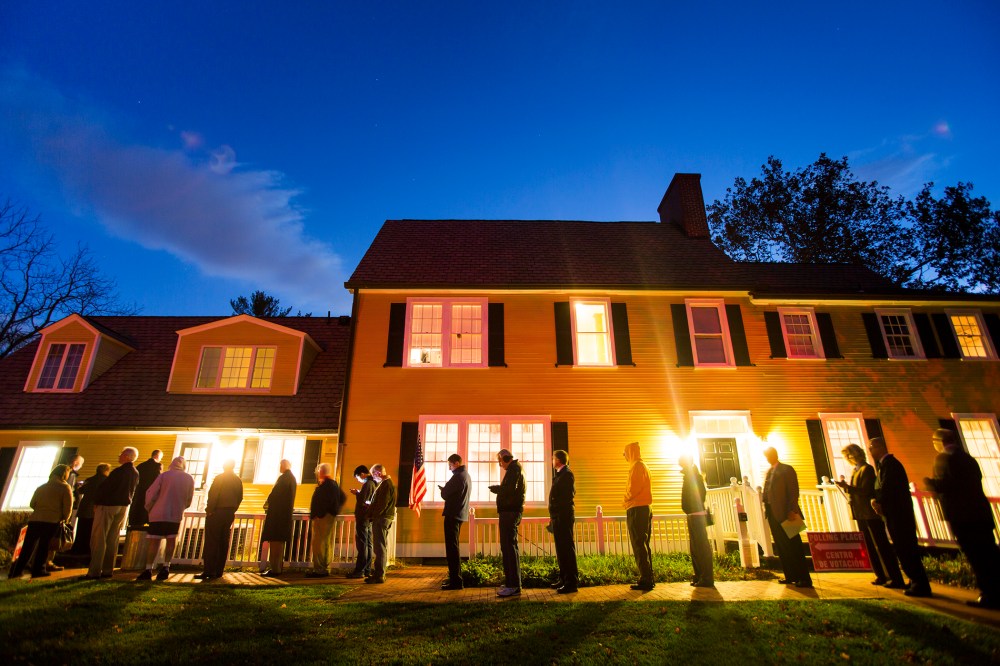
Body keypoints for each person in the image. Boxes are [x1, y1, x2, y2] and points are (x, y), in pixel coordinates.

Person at [923, 428, 1000, 609]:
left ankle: (989, 594)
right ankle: (996, 591)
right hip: (980, 512)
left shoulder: (944, 458)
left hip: (962, 515)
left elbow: (948, 484)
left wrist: (931, 483)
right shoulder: (968, 458)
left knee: (976, 555)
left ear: (939, 441)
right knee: (989, 553)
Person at [835, 444, 905, 588]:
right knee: (870, 546)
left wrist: (847, 487)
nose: (847, 459)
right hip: (861, 513)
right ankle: (880, 575)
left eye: (848, 455)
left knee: (881, 545)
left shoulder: (867, 469)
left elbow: (866, 490)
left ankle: (894, 576)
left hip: (870, 513)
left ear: (854, 454)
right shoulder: (855, 471)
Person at [868, 437, 931, 597]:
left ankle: (920, 584)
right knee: (902, 548)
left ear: (880, 447)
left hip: (899, 514)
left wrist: (878, 500)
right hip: (894, 514)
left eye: (872, 447)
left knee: (906, 548)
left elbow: (888, 487)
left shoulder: (891, 465)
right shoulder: (885, 466)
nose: (870, 450)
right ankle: (915, 579)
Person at [7, 465, 73, 579]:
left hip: (35, 519)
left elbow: (32, 503)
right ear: (64, 474)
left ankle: (17, 570)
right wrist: (64, 518)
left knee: (28, 546)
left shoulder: (41, 487)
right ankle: (38, 569)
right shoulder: (65, 488)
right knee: (44, 546)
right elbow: (68, 508)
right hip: (51, 520)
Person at [136, 456, 194, 581]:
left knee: (154, 541)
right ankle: (166, 567)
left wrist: (149, 507)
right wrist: (181, 507)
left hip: (158, 513)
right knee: (171, 540)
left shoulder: (164, 476)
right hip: (175, 514)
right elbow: (189, 498)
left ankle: (148, 569)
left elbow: (151, 493)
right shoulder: (189, 478)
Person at [86, 447, 140, 579]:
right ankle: (107, 569)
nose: (119, 456)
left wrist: (97, 501)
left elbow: (106, 488)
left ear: (127, 456)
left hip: (108, 505)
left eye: (121, 454)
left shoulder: (119, 472)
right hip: (123, 506)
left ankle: (94, 571)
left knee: (99, 537)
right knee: (113, 538)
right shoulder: (135, 473)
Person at [762, 447, 812, 588]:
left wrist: (792, 510)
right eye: (766, 455)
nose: (767, 458)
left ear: (775, 455)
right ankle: (790, 575)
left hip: (787, 513)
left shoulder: (786, 469)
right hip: (773, 513)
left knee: (795, 546)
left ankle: (804, 578)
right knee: (782, 546)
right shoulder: (770, 471)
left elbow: (793, 491)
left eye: (769, 455)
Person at [197, 459, 244, 581]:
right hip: (229, 513)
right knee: (224, 541)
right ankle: (219, 570)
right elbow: (240, 497)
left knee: (212, 541)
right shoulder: (237, 480)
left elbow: (214, 494)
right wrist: (233, 509)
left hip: (217, 511)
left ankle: (209, 570)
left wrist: (210, 509)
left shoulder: (220, 478)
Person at [489, 448, 525, 597]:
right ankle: (512, 582)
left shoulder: (514, 470)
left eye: (499, 461)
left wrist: (498, 489)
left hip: (510, 512)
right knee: (509, 547)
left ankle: (513, 585)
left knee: (509, 548)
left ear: (505, 459)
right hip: (509, 512)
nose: (499, 465)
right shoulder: (515, 470)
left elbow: (509, 490)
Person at [623, 442, 655, 591]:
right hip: (645, 507)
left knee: (638, 543)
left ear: (630, 453)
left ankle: (646, 579)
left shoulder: (636, 467)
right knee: (643, 543)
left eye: (625, 453)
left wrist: (625, 500)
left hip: (636, 508)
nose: (624, 457)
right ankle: (648, 577)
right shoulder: (644, 466)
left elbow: (633, 488)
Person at [44, 454, 84, 572]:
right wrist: (66, 516)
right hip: (56, 515)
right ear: (76, 463)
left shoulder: (45, 486)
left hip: (43, 516)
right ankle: (47, 562)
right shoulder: (67, 480)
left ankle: (41, 563)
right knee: (53, 539)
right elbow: (68, 497)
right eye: (80, 464)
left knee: (44, 540)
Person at [680, 454, 714, 588]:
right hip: (692, 514)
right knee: (695, 548)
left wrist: (692, 506)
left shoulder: (694, 476)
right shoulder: (689, 475)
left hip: (697, 514)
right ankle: (699, 575)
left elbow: (700, 494)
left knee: (701, 547)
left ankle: (707, 577)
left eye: (682, 465)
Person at [306, 463, 346, 578]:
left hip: (323, 518)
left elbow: (336, 499)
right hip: (324, 517)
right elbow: (342, 497)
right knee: (324, 542)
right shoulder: (331, 484)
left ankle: (320, 569)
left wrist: (324, 513)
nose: (317, 473)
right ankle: (323, 567)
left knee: (319, 543)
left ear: (321, 471)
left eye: (318, 471)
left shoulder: (329, 485)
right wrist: (334, 510)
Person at [439, 453, 471, 590]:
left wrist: (444, 489)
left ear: (456, 463)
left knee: (452, 548)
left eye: (450, 465)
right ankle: (455, 579)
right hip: (460, 514)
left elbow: (445, 494)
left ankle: (456, 581)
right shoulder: (466, 476)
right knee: (454, 546)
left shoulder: (458, 476)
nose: (449, 468)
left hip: (453, 515)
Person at [260, 459, 297, 577]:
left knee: (275, 543)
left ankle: (275, 569)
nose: (279, 468)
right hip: (284, 515)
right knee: (279, 544)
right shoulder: (291, 478)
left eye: (280, 465)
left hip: (278, 516)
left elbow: (275, 494)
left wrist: (267, 502)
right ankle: (277, 568)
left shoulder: (284, 479)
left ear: (283, 466)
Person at [548, 449, 578, 594]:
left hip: (564, 517)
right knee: (561, 549)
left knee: (566, 548)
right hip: (558, 517)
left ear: (558, 460)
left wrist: (558, 513)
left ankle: (571, 582)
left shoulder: (567, 474)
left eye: (553, 458)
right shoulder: (560, 475)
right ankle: (563, 578)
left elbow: (567, 496)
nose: (552, 460)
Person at [70, 463, 111, 556]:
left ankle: (78, 548)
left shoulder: (89, 480)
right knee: (92, 531)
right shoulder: (106, 481)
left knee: (81, 529)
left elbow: (81, 491)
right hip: (95, 509)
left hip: (84, 508)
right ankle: (88, 549)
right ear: (105, 471)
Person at [366, 464, 396, 584]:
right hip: (383, 517)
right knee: (380, 546)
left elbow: (382, 503)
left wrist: (373, 515)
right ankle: (379, 573)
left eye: (373, 474)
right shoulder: (386, 484)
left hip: (382, 518)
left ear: (378, 473)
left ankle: (379, 575)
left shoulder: (386, 485)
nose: (373, 477)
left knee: (380, 547)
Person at [347, 465, 376, 579]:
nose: (358, 480)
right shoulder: (373, 484)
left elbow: (363, 501)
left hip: (363, 517)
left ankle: (360, 570)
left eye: (358, 478)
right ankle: (367, 569)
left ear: (362, 474)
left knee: (362, 543)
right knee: (368, 543)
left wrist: (357, 493)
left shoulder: (368, 484)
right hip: (368, 518)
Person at [128, 450, 163, 530]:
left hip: (138, 494)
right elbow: (158, 480)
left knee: (137, 516)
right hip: (149, 494)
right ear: (158, 456)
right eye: (160, 457)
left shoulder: (141, 465)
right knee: (145, 516)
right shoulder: (157, 465)